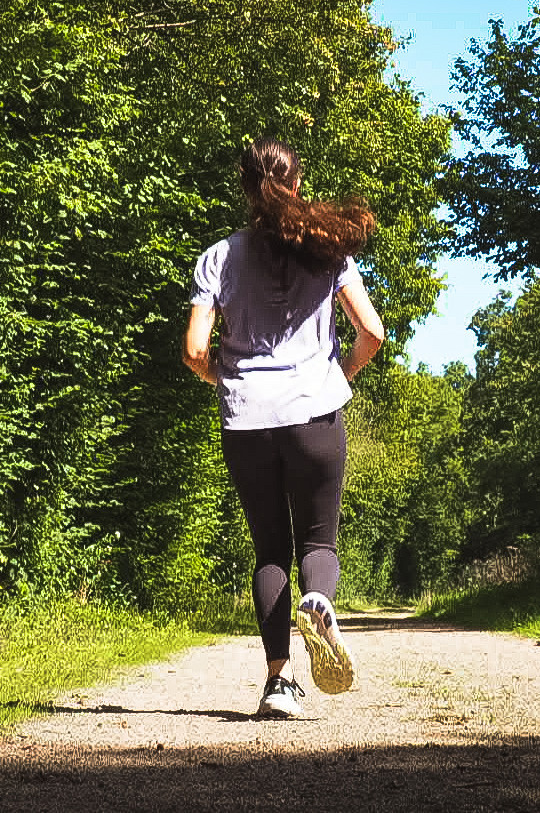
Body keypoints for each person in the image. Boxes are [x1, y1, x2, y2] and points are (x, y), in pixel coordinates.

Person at [182, 137, 386, 718]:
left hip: (247, 419)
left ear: (246, 189)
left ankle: (278, 683)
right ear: (297, 184)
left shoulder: (219, 257)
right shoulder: (329, 249)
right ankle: (317, 600)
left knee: (270, 549)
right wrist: (337, 376)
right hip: (315, 411)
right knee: (318, 543)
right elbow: (372, 333)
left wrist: (227, 379)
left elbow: (194, 349)